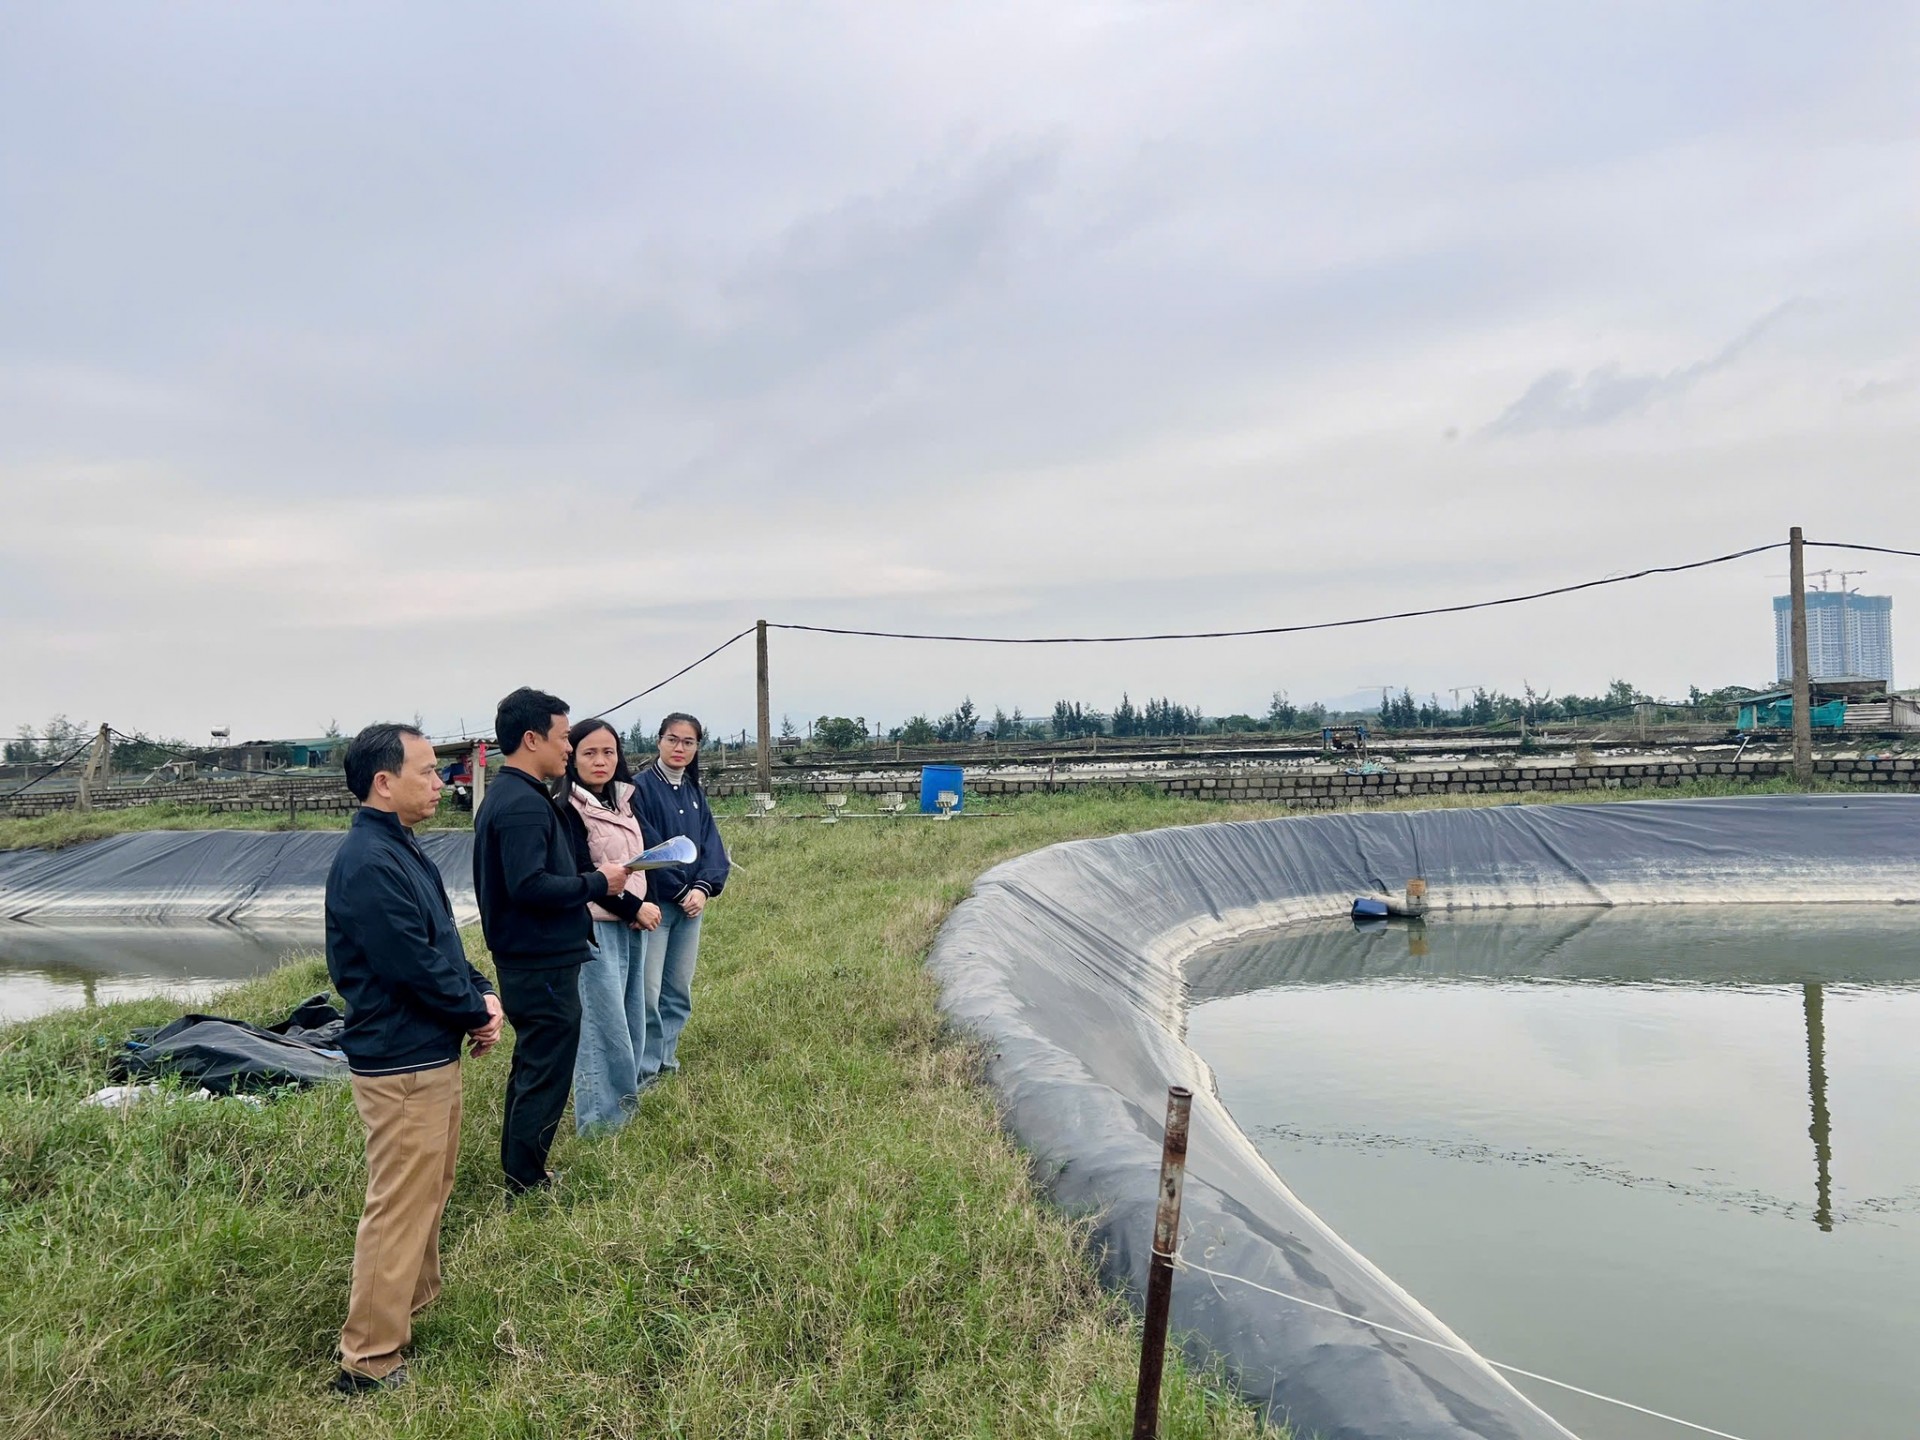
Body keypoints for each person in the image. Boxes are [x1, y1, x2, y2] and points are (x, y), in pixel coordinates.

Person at [325, 723, 505, 1395]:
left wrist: (481, 993)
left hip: (429, 1049)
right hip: (400, 1059)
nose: (440, 783)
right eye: (427, 771)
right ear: (384, 782)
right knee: (399, 1205)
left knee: (431, 1187)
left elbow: (442, 944)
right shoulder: (368, 862)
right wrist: (472, 1010)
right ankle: (368, 1360)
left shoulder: (400, 846)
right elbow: (411, 965)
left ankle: (411, 1306)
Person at [472, 687, 628, 1195]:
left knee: (534, 1066)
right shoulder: (522, 805)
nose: (569, 748)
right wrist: (598, 883)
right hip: (539, 960)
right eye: (563, 738)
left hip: (532, 956)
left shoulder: (515, 795)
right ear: (531, 738)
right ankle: (527, 1181)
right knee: (545, 1071)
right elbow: (529, 886)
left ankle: (522, 1169)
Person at [564, 717, 662, 1134]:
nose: (600, 761)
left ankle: (624, 1109)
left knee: (631, 1017)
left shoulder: (623, 800)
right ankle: (598, 1123)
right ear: (572, 757)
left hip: (630, 924)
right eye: (589, 752)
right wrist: (633, 908)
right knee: (602, 1027)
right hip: (597, 927)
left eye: (608, 752)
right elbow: (583, 874)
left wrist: (643, 903)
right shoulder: (567, 807)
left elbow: (640, 860)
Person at [630, 712, 731, 1079]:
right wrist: (681, 888)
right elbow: (648, 847)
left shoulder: (693, 791)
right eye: (672, 739)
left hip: (691, 909)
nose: (679, 748)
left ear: (697, 747)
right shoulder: (639, 789)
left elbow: (711, 846)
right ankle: (644, 1070)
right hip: (655, 907)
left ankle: (666, 1062)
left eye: (688, 742)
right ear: (659, 740)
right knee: (648, 993)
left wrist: (703, 889)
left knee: (677, 990)